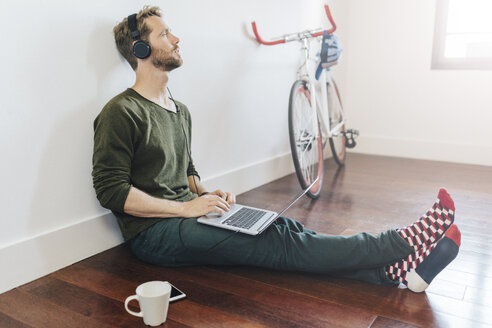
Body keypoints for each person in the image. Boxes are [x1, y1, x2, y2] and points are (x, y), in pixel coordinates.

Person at [92, 6, 461, 293]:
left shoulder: (179, 108)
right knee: (276, 243)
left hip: (189, 214)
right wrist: (187, 208)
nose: (176, 38)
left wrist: (205, 193)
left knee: (282, 226)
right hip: (153, 235)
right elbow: (112, 192)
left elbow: (186, 170)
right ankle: (396, 243)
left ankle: (388, 273)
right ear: (140, 48)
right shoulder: (120, 112)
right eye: (164, 33)